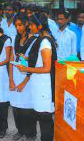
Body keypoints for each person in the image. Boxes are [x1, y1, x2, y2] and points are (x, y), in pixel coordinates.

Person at [16, 12, 57, 141]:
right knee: (41, 115)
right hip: (39, 84)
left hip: (44, 86)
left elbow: (46, 68)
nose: (30, 27)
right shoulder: (40, 39)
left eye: (32, 24)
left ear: (39, 26)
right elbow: (39, 60)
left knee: (45, 119)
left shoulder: (45, 42)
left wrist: (26, 68)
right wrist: (27, 58)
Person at [9, 13, 37, 141]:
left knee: (28, 107)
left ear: (27, 24)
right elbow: (11, 59)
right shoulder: (14, 38)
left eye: (20, 25)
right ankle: (20, 130)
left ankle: (31, 133)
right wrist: (11, 79)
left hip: (28, 77)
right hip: (16, 75)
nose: (18, 28)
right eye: (16, 25)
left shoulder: (35, 40)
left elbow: (34, 64)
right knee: (16, 106)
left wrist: (24, 82)